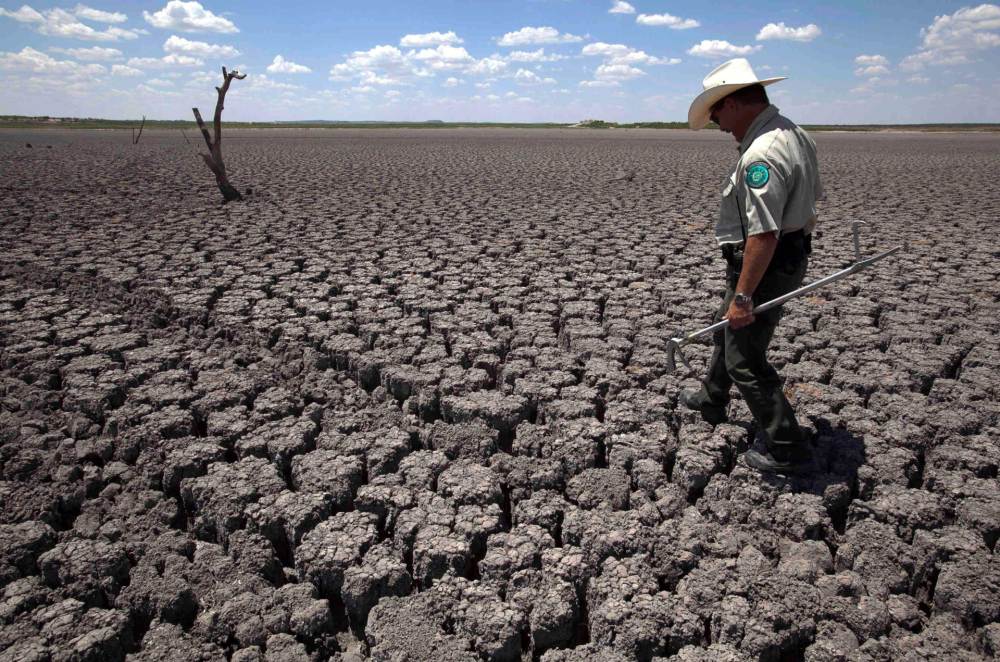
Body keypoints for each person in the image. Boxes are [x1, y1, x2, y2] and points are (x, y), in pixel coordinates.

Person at [680, 58, 822, 475]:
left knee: (745, 357)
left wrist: (743, 295)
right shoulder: (793, 132)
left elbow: (764, 233)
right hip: (776, 259)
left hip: (765, 264)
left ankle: (787, 448)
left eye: (718, 112)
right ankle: (711, 398)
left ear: (737, 103)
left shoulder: (762, 153)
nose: (718, 124)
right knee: (726, 330)